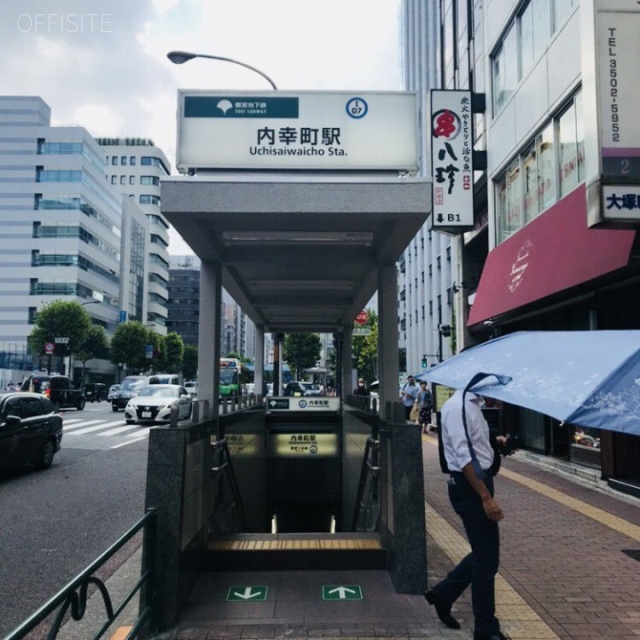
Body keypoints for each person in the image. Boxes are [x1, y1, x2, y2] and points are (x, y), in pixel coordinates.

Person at [424, 386, 509, 640]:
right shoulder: (458, 408)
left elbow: (474, 448)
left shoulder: (472, 406)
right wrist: (485, 497)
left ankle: (443, 595)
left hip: (475, 483)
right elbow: (463, 457)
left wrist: (496, 444)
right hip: (470, 487)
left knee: (484, 554)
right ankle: (485, 628)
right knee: (487, 560)